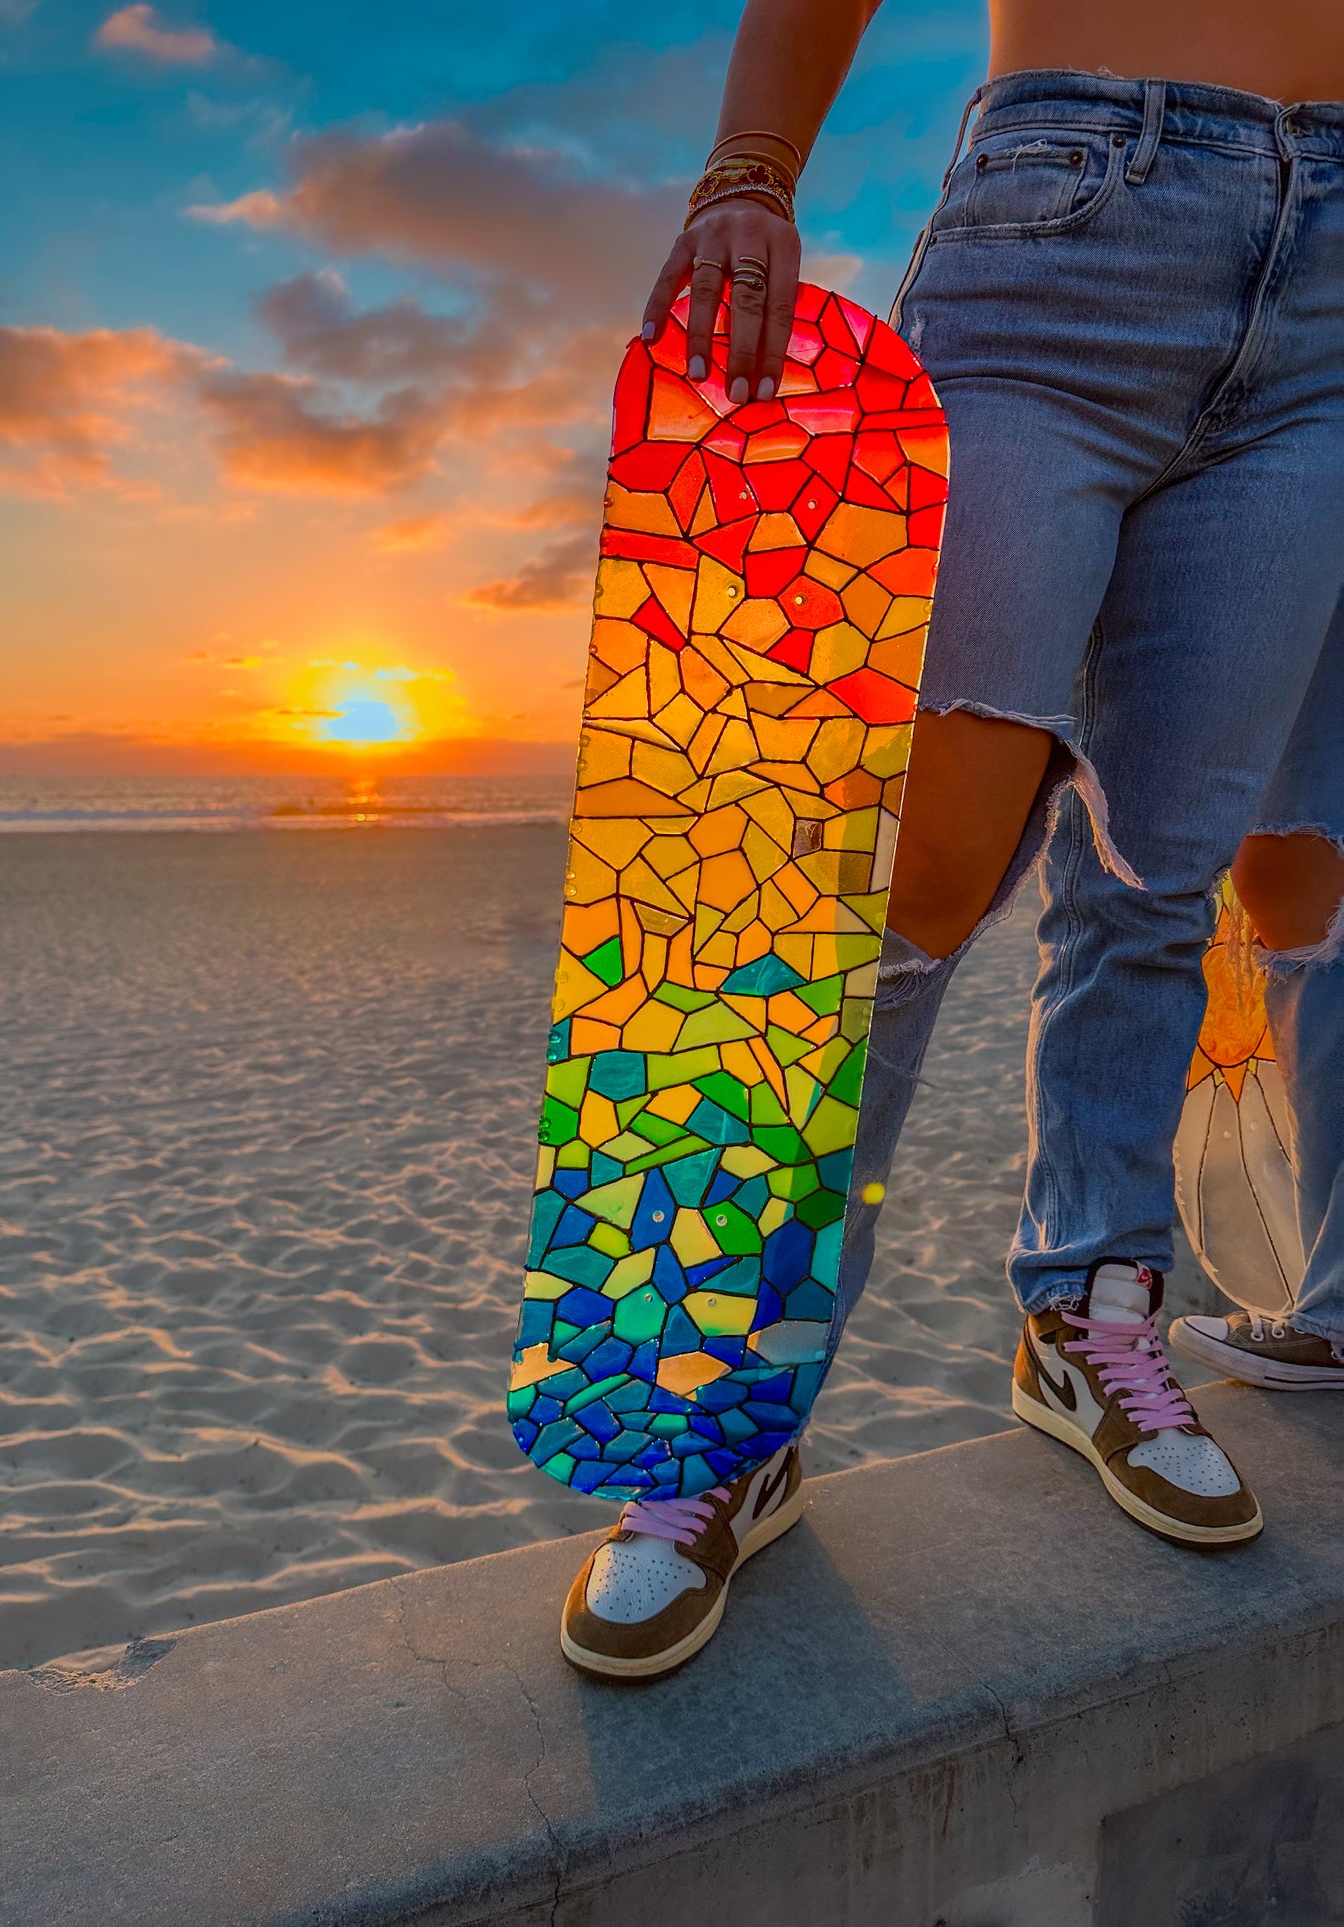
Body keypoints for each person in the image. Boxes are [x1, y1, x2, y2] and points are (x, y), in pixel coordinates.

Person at [558, 0, 1344, 1682]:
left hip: (1334, 316)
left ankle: (1089, 1311)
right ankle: (717, 1413)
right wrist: (747, 169)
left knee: (1155, 869)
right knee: (896, 878)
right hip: (1066, 234)